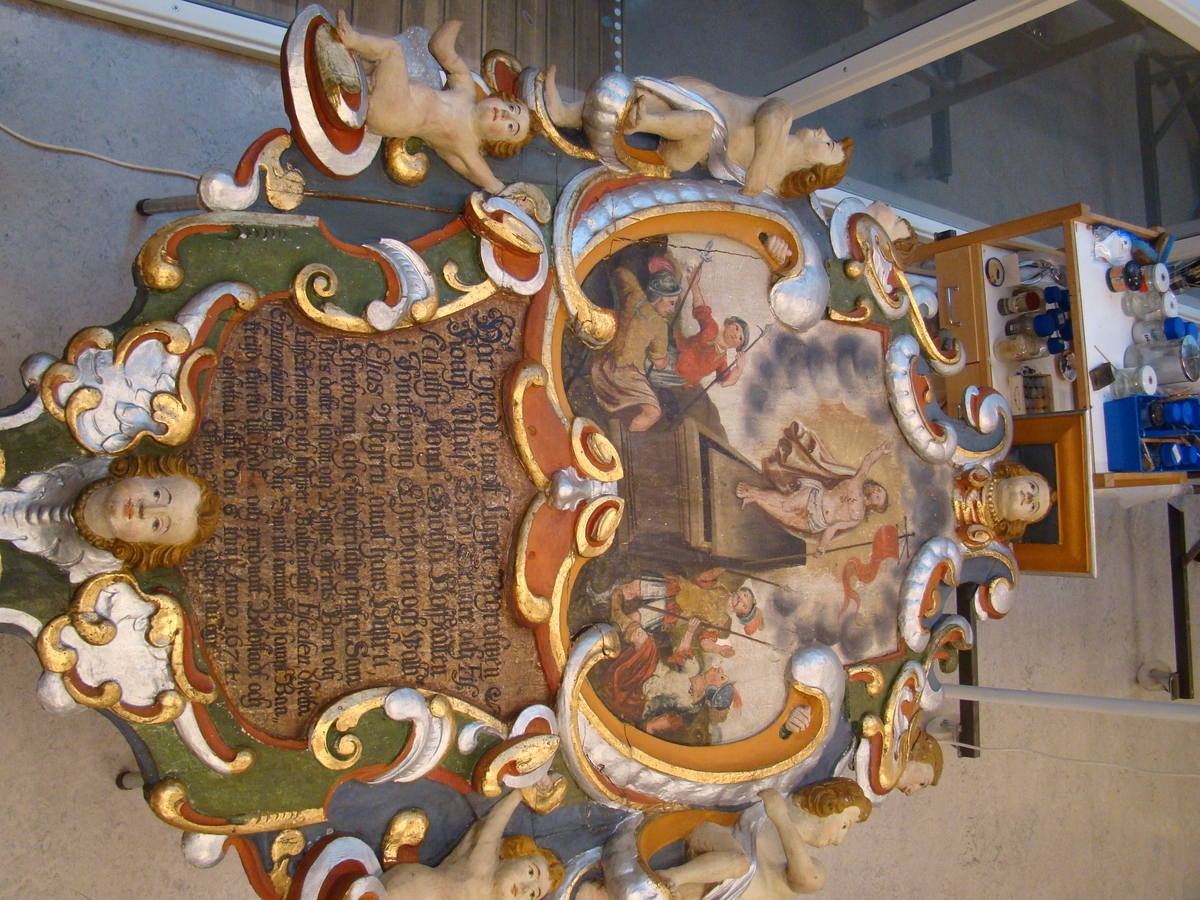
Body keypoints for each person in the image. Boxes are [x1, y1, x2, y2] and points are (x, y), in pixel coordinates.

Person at [544, 69, 852, 197]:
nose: (823, 131)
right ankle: (566, 114)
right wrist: (758, 165)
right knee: (639, 98)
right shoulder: (783, 120)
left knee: (701, 123)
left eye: (828, 144)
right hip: (692, 100)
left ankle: (642, 122)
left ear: (812, 170)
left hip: (685, 152)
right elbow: (769, 116)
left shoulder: (771, 190)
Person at [334, 15, 539, 193]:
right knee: (381, 65)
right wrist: (458, 19)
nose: (505, 115)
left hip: (396, 115)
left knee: (392, 51)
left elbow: (490, 182)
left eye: (510, 127)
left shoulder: (467, 144)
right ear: (501, 98)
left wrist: (511, 197)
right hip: (393, 92)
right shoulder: (466, 90)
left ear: (497, 142)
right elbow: (440, 47)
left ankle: (352, 40)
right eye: (512, 108)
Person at [576, 779, 871, 900]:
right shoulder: (778, 802)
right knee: (741, 864)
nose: (839, 840)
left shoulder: (812, 866)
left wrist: (781, 817)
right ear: (828, 806)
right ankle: (671, 876)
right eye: (844, 825)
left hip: (716, 889)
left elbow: (806, 880)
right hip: (713, 842)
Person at [0, 453, 220, 581]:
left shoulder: (90, 572)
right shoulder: (88, 456)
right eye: (157, 494)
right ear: (143, 472)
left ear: (145, 547)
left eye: (157, 524)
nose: (146, 509)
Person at [736, 423, 891, 557]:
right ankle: (753, 491)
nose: (876, 492)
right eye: (879, 490)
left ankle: (755, 499)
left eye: (878, 496)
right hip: (816, 498)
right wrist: (881, 450)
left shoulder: (857, 516)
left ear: (874, 506)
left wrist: (822, 546)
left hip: (817, 521)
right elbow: (868, 460)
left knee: (786, 519)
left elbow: (834, 527)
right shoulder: (857, 482)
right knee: (786, 504)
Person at [380, 789, 563, 900]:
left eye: (533, 895)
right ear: (512, 856)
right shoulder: (484, 866)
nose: (525, 888)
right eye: (531, 872)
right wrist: (521, 792)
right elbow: (494, 825)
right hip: (417, 893)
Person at [588, 257, 682, 431]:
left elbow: (621, 274)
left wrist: (613, 270)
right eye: (671, 303)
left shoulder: (634, 294)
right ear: (658, 297)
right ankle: (625, 440)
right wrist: (666, 358)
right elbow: (659, 363)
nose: (672, 310)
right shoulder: (660, 326)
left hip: (600, 365)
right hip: (624, 377)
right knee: (653, 413)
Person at [673, 270, 750, 389]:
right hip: (674, 352)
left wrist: (739, 369)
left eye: (740, 338)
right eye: (736, 328)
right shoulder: (711, 328)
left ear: (738, 347)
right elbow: (700, 309)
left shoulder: (721, 360)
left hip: (681, 379)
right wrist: (694, 285)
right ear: (728, 323)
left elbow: (724, 382)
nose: (736, 335)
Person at [953, 460, 1055, 546]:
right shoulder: (979, 472)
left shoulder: (984, 536)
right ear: (1017, 474)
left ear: (1020, 520)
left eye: (1033, 507)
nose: (1030, 497)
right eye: (1032, 487)